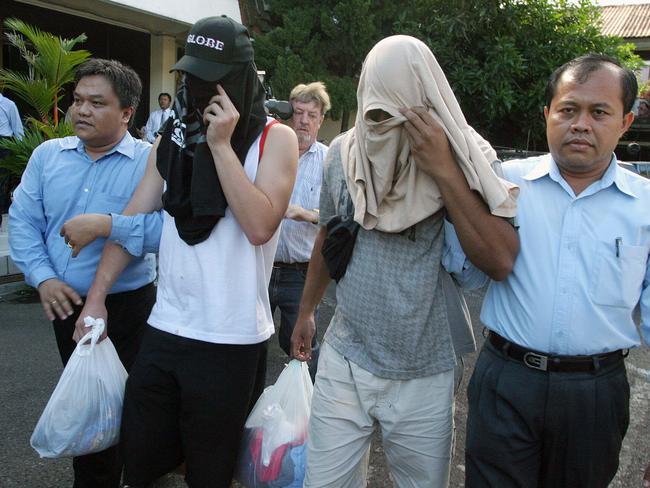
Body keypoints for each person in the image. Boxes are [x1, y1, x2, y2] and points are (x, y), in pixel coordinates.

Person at [71, 15, 298, 487]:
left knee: (210, 472)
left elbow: (259, 225)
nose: (198, 87)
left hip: (230, 338)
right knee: (143, 457)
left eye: (211, 77)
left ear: (238, 78)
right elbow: (134, 220)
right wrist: (97, 298)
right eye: (191, 75)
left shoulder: (275, 139)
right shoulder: (174, 136)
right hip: (166, 326)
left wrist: (220, 147)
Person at [290, 35, 519, 488]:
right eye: (374, 113)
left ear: (424, 96)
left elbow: (499, 259)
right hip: (345, 356)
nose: (383, 126)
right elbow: (328, 234)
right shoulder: (344, 153)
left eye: (398, 111)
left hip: (425, 371)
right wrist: (307, 311)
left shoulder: (467, 154)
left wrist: (443, 169)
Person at [451, 54, 650, 488]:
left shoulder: (646, 206)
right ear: (547, 114)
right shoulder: (502, 183)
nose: (581, 124)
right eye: (568, 109)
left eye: (599, 112)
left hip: (595, 396)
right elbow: (463, 272)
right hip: (506, 382)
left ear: (626, 121)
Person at [9, 58, 160, 488]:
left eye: (97, 102)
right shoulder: (47, 157)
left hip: (132, 307)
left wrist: (109, 223)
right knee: (90, 408)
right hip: (68, 303)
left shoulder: (150, 162)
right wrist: (44, 277)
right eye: (77, 100)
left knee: (139, 408)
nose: (81, 111)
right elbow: (23, 221)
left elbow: (166, 231)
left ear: (127, 113)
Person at [269, 81, 330, 380]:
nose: (303, 120)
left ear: (321, 120)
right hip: (262, 266)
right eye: (298, 112)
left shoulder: (330, 161)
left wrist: (301, 213)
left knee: (302, 348)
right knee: (247, 341)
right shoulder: (269, 152)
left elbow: (340, 216)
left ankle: (302, 418)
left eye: (312, 115)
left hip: (300, 274)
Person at [0, 91, 24, 221]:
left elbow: (17, 128)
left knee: (3, 177)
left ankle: (3, 206)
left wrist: (20, 148)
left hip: (4, 143)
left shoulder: (8, 105)